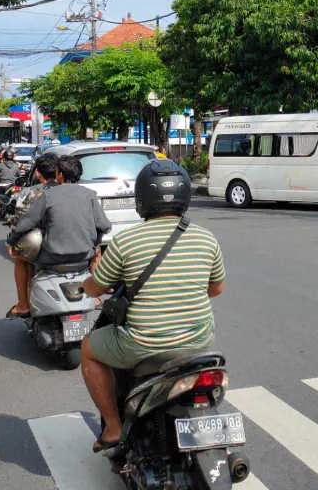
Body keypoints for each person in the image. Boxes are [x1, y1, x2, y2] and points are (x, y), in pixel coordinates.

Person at [80, 159, 225, 453]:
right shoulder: (206, 238)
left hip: (142, 343)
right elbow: (216, 289)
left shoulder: (126, 241)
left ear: (141, 199)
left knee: (88, 350)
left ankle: (112, 427)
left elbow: (97, 286)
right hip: (199, 339)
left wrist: (86, 284)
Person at [5, 154, 112, 319]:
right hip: (84, 258)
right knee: (97, 252)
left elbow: (25, 224)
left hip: (52, 258)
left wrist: (11, 242)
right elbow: (105, 226)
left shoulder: (47, 196)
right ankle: (95, 297)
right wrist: (93, 242)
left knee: (21, 258)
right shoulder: (90, 194)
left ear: (60, 175)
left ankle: (23, 305)